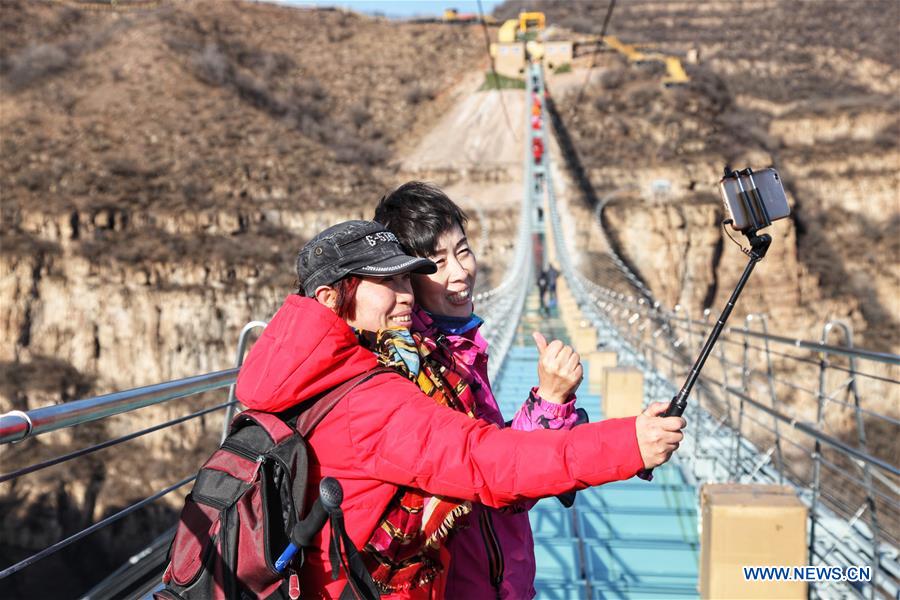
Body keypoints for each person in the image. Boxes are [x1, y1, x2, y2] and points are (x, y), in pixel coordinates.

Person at [235, 220, 685, 599]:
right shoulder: (369, 401)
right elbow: (487, 462)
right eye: (386, 281)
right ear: (331, 299)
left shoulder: (307, 371)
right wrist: (629, 443)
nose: (407, 293)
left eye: (406, 277)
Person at [375, 182, 579, 598]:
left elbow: (492, 454)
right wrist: (550, 402)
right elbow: (499, 480)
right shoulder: (421, 371)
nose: (460, 270)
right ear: (408, 281)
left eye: (462, 251)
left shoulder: (460, 348)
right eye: (437, 262)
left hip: (502, 578)